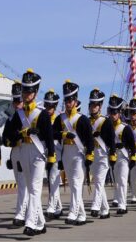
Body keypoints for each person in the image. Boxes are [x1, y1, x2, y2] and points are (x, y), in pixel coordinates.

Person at [4, 69, 56, 236]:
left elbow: (49, 137)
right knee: (30, 187)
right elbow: (9, 134)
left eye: (29, 91)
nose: (26, 94)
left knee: (34, 189)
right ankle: (41, 223)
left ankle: (31, 223)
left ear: (35, 92)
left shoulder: (42, 114)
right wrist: (21, 134)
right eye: (25, 91)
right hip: (24, 150)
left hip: (38, 153)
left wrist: (51, 157)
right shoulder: (18, 114)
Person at [52, 80, 94, 225]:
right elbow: (52, 133)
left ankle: (72, 212)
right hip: (66, 153)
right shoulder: (60, 118)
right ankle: (81, 215)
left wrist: (89, 156)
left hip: (78, 153)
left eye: (71, 100)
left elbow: (89, 139)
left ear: (76, 100)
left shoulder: (82, 119)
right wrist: (63, 135)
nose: (68, 102)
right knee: (72, 183)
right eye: (66, 100)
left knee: (76, 183)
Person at [2, 81, 28, 226]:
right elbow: (5, 137)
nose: (16, 104)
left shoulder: (28, 117)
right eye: (15, 101)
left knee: (26, 185)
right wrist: (9, 142)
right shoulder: (11, 118)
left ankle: (21, 214)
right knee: (21, 184)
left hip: (28, 151)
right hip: (16, 152)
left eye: (19, 101)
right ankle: (23, 213)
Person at [87, 88, 116, 219]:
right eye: (92, 104)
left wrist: (113, 155)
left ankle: (95, 206)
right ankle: (106, 210)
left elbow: (111, 140)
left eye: (96, 105)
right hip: (92, 154)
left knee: (99, 181)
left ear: (100, 106)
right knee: (98, 181)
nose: (93, 107)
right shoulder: (87, 121)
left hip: (103, 154)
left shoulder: (106, 121)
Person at [108, 95, 135, 214]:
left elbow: (132, 145)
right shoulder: (107, 127)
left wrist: (133, 156)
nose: (112, 115)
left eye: (115, 112)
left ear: (119, 113)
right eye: (111, 112)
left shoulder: (125, 128)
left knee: (123, 180)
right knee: (117, 181)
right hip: (112, 156)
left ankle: (122, 205)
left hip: (123, 156)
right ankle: (119, 200)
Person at [42, 89, 63, 220]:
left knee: (53, 178)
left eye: (51, 106)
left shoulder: (59, 119)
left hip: (56, 150)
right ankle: (58, 208)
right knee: (51, 179)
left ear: (55, 106)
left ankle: (51, 206)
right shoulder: (42, 117)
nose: (48, 108)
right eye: (46, 105)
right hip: (44, 150)